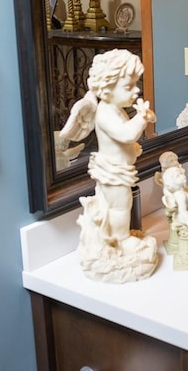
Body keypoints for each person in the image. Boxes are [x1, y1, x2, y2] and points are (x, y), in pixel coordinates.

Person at [60, 49, 155, 247]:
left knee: (121, 203)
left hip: (117, 169)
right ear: (107, 87)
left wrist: (133, 147)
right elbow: (126, 134)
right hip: (112, 171)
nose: (136, 91)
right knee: (120, 205)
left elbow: (123, 141)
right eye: (129, 86)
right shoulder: (104, 112)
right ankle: (121, 238)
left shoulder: (116, 109)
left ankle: (116, 235)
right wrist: (141, 118)